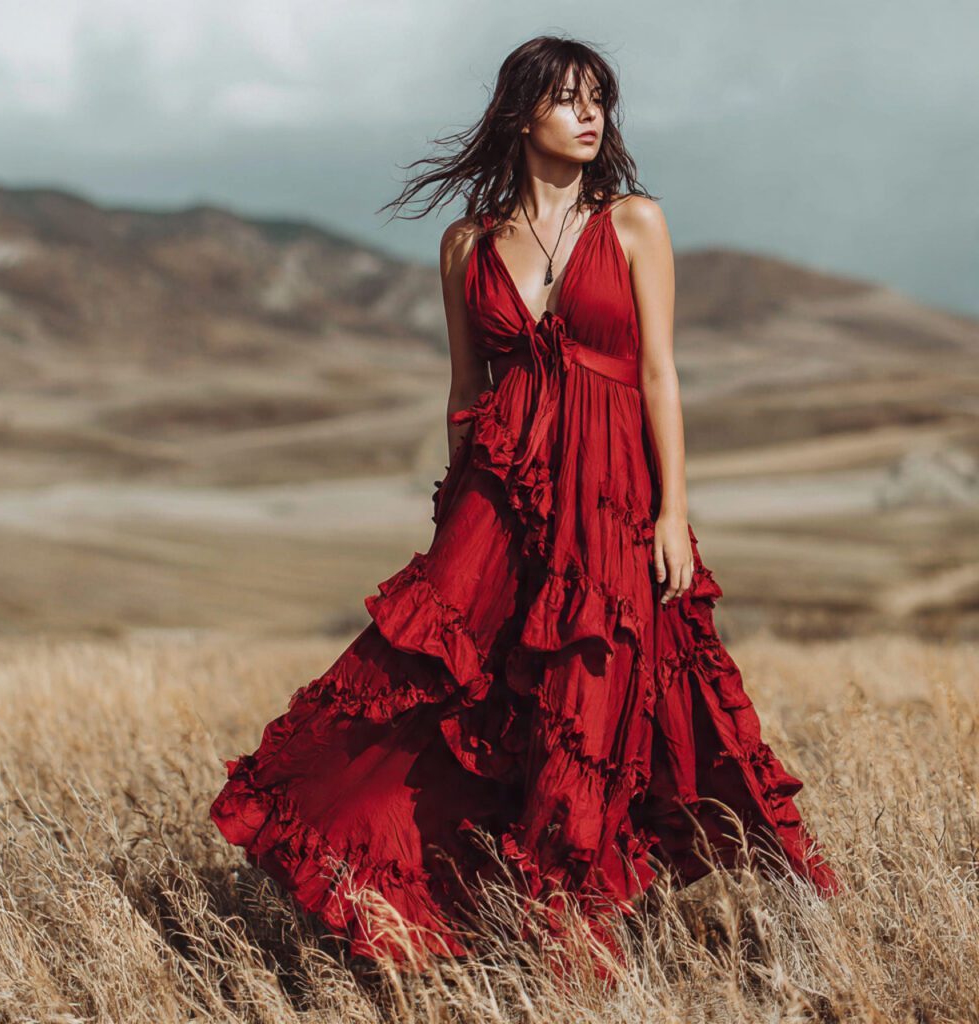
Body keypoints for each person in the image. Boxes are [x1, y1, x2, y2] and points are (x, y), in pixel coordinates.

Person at [210, 35, 841, 970]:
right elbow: (466, 395)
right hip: (501, 511)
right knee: (449, 700)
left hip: (614, 502)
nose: (590, 116)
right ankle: (441, 917)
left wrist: (673, 513)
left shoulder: (634, 223)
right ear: (521, 115)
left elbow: (660, 375)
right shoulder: (466, 245)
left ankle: (571, 941)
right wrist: (453, 532)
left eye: (600, 100)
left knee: (595, 705)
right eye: (568, 99)